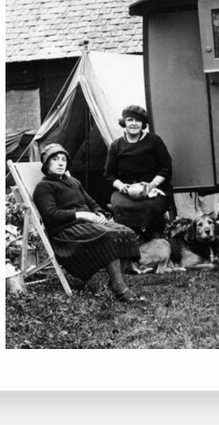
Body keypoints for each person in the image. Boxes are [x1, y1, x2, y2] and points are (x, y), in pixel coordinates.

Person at [32, 143, 144, 302]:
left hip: (87, 225)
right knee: (110, 237)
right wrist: (81, 215)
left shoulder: (74, 182)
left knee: (127, 233)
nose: (60, 163)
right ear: (46, 164)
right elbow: (51, 215)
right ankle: (120, 289)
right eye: (55, 159)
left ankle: (114, 282)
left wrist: (99, 213)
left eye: (63, 159)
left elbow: (91, 202)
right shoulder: (44, 187)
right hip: (66, 233)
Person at [104, 105, 173, 241]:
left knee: (151, 207)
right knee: (120, 207)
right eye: (130, 120)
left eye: (138, 120)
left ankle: (156, 242)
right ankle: (129, 245)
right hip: (126, 190)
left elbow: (166, 169)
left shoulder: (154, 141)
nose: (134, 124)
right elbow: (109, 174)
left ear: (143, 124)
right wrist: (121, 186)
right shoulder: (116, 145)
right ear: (124, 123)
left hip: (154, 188)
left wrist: (151, 185)